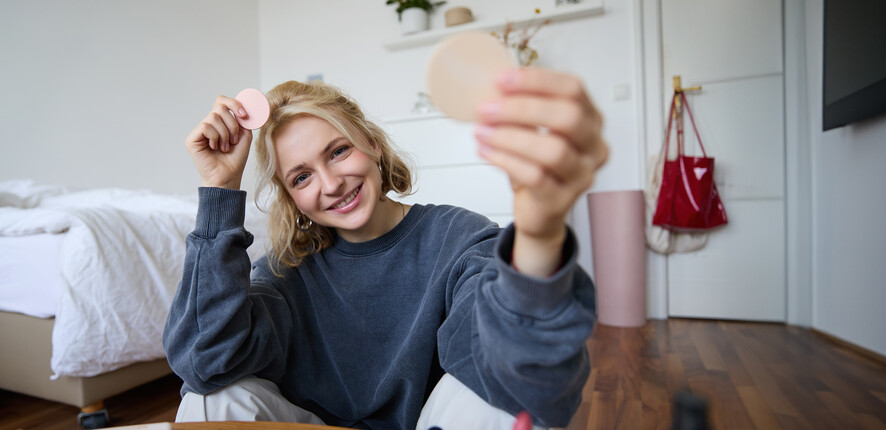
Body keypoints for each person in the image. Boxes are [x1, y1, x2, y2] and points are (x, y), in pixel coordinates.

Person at [164, 67, 609, 429]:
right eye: (301, 177)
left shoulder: (456, 236)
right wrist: (219, 191)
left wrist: (538, 231)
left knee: (505, 399)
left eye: (338, 151)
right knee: (211, 399)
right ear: (290, 196)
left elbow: (515, 366)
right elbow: (204, 363)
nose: (331, 184)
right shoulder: (286, 271)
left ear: (371, 143)